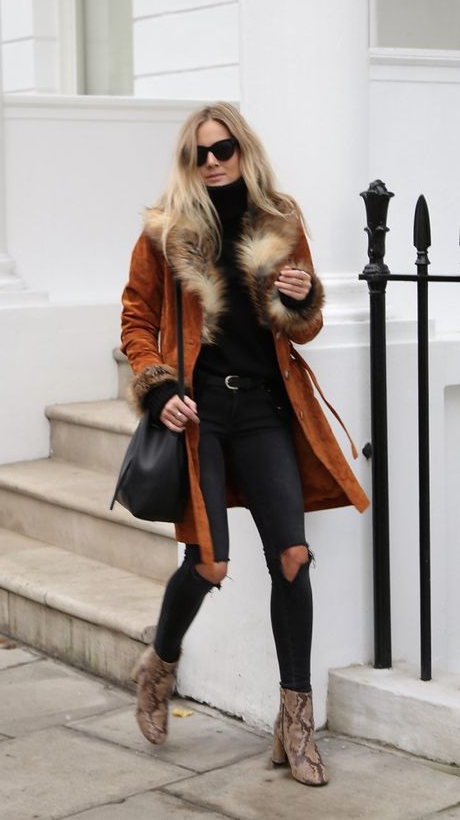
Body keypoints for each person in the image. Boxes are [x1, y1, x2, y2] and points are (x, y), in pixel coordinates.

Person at [120, 102, 368, 787]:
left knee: (292, 557)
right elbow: (136, 318)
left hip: (263, 408)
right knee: (209, 562)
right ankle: (159, 664)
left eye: (222, 148)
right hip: (199, 414)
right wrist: (158, 387)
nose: (212, 161)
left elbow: (304, 325)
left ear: (243, 149)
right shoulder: (166, 230)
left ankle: (295, 721)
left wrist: (302, 295)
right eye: (199, 153)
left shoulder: (280, 218)